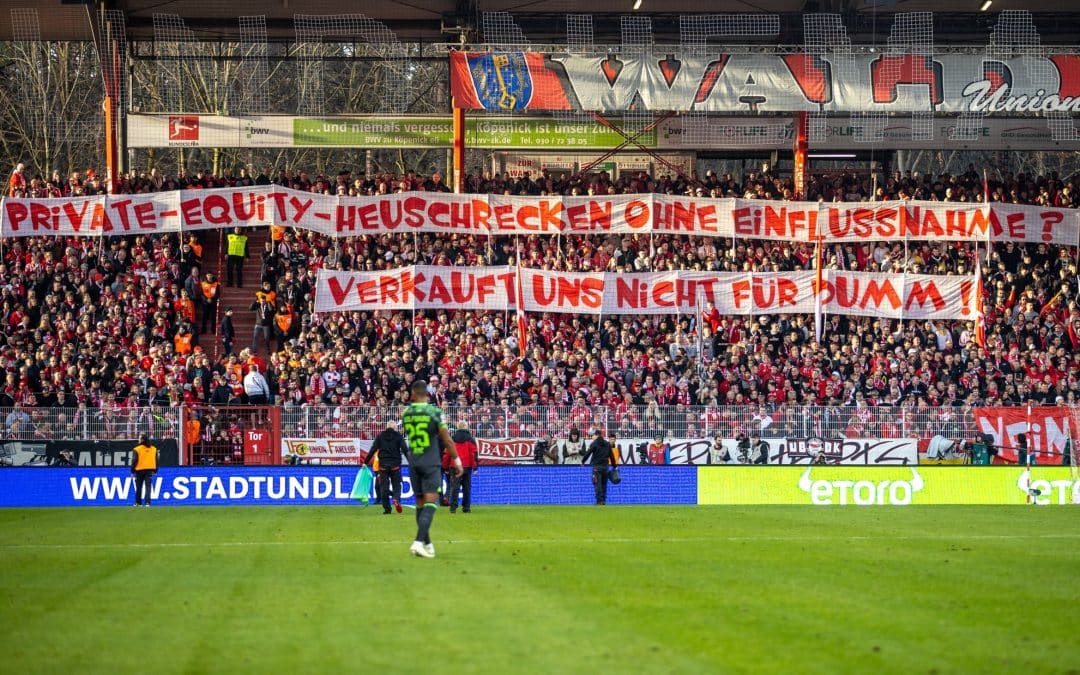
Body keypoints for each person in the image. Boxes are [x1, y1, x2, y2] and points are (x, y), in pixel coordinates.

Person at [401, 379, 461, 558]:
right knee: (431, 503)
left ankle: (427, 544)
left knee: (420, 503)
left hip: (413, 461)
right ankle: (418, 542)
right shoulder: (435, 412)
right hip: (431, 462)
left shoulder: (407, 413)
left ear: (412, 394)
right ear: (427, 394)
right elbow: (447, 439)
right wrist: (457, 460)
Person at [366, 420, 406, 514]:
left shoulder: (380, 436)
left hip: (383, 466)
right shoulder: (398, 436)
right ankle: (396, 499)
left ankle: (387, 509)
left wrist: (365, 461)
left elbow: (373, 449)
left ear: (386, 427)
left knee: (384, 487)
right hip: (395, 466)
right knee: (396, 485)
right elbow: (405, 449)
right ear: (395, 427)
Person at [581, 428, 618, 505]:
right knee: (604, 484)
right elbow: (611, 456)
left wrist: (583, 461)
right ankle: (603, 500)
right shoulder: (607, 444)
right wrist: (614, 466)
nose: (592, 437)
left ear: (597, 435)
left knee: (597, 484)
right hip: (605, 467)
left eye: (593, 435)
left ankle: (599, 501)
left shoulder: (594, 444)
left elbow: (588, 453)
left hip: (597, 467)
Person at [448, 421, 478, 513]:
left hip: (455, 466)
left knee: (454, 487)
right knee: (467, 488)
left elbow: (447, 453)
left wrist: (445, 466)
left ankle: (453, 507)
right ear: (466, 427)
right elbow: (474, 454)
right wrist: (475, 467)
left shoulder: (452, 438)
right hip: (467, 466)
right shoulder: (470, 439)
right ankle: (466, 508)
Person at [131, 434, 158, 507]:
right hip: (149, 470)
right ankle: (147, 503)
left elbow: (134, 460)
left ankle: (138, 503)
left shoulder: (137, 449)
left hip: (139, 470)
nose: (138, 439)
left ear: (142, 440)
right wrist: (156, 470)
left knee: (139, 487)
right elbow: (156, 460)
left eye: (139, 438)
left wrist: (132, 471)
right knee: (148, 487)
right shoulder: (154, 449)